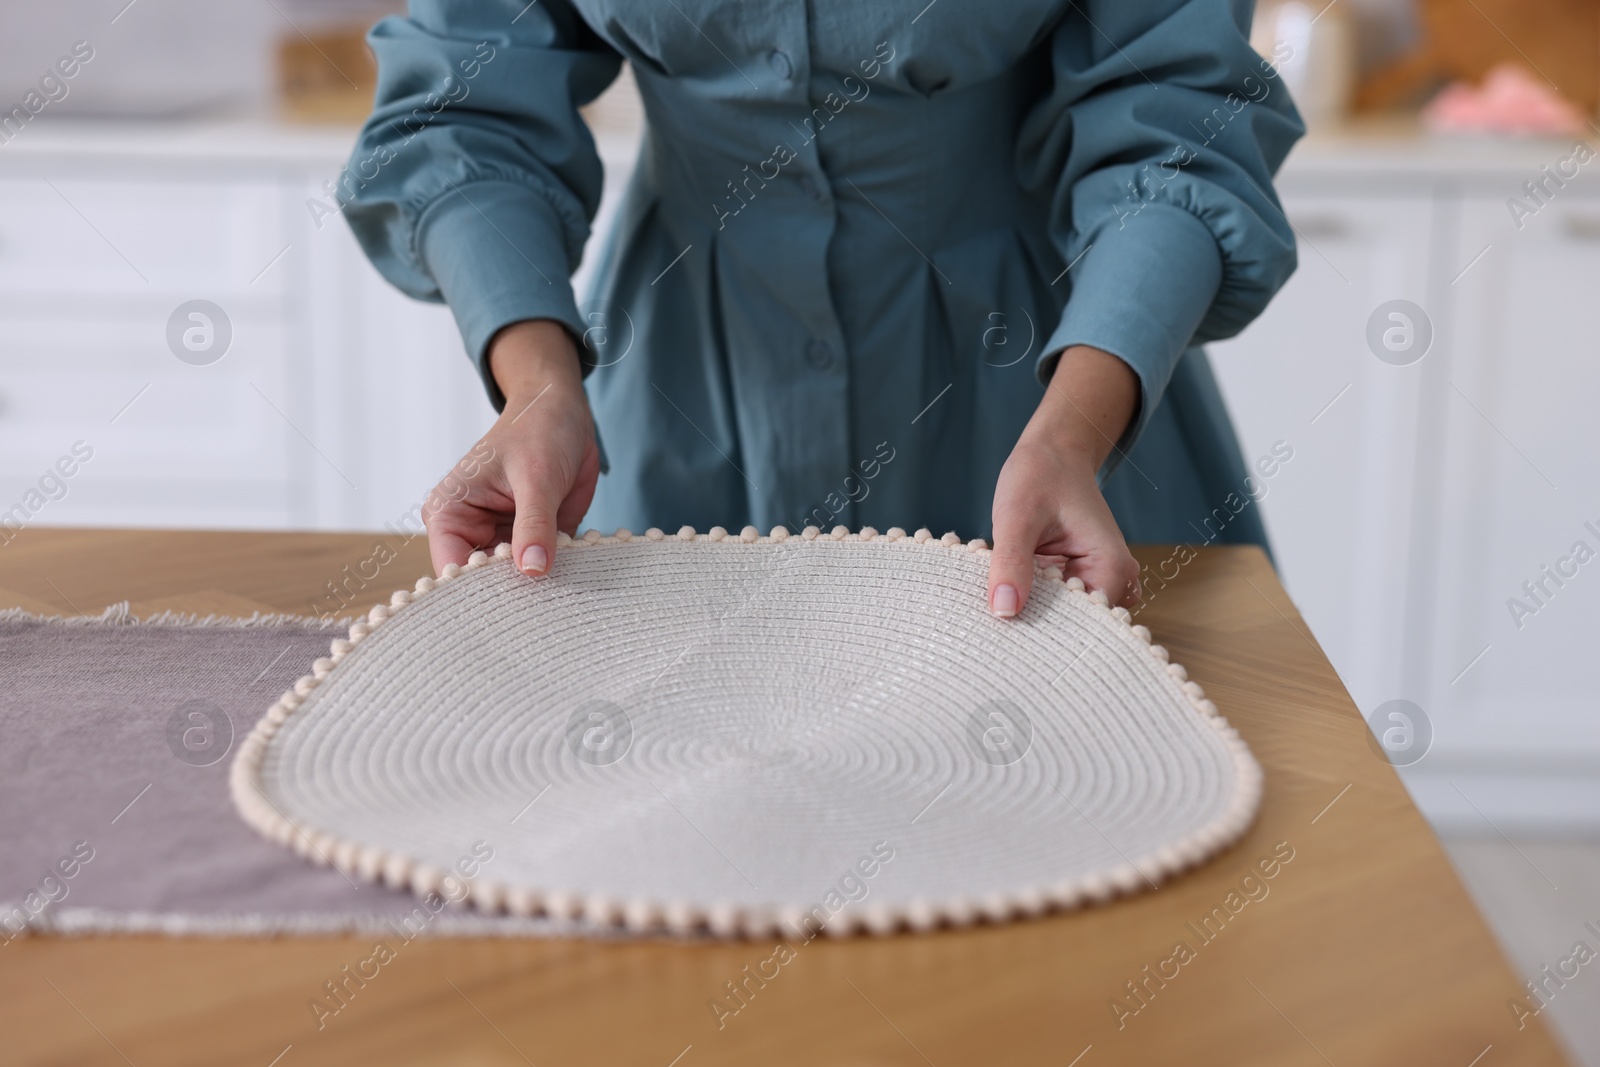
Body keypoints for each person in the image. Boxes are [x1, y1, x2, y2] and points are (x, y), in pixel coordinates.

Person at [341, 0, 1301, 618]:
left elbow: (1178, 123)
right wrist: (536, 389)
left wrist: (1076, 432)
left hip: (1048, 400)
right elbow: (464, 114)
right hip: (680, 395)